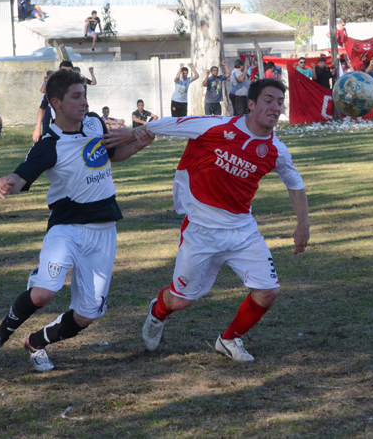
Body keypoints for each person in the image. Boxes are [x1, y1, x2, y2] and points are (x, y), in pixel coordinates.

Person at [103, 78, 310, 362]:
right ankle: (157, 312)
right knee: (180, 300)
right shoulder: (216, 126)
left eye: (279, 102)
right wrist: (131, 134)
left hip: (242, 231)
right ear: (250, 104)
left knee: (268, 291)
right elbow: (169, 125)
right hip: (201, 230)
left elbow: (294, 182)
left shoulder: (276, 150)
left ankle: (229, 340)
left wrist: (303, 224)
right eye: (268, 100)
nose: (275, 107)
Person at [0, 69, 155, 372]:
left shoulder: (95, 122)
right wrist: (8, 182)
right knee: (45, 292)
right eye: (76, 96)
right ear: (56, 102)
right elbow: (24, 174)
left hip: (104, 229)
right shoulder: (49, 144)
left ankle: (37, 342)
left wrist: (140, 143)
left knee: (87, 315)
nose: (84, 102)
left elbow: (111, 155)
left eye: (84, 95)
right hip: (67, 228)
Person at [34, 62, 76, 142]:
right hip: (58, 123)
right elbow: (42, 108)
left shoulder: (78, 88)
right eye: (63, 72)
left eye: (69, 72)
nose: (66, 75)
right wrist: (37, 129)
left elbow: (84, 106)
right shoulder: (53, 88)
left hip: (74, 125)